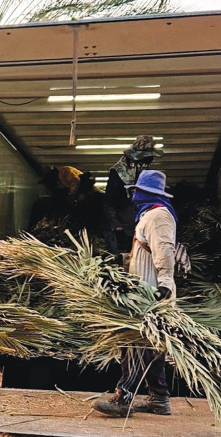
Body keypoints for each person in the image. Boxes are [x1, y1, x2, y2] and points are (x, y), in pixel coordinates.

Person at [92, 170, 177, 417]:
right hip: (145, 290)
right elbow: (146, 251)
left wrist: (164, 285)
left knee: (134, 345)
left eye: (136, 191)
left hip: (151, 294)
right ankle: (159, 400)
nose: (134, 196)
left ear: (146, 193)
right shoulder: (148, 216)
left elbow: (164, 251)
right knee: (152, 349)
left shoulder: (158, 216)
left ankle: (123, 398)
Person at [103, 135, 164, 256]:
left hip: (135, 225)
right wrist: (116, 225)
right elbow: (109, 201)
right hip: (119, 227)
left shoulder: (143, 171)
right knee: (120, 260)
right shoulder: (118, 174)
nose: (150, 161)